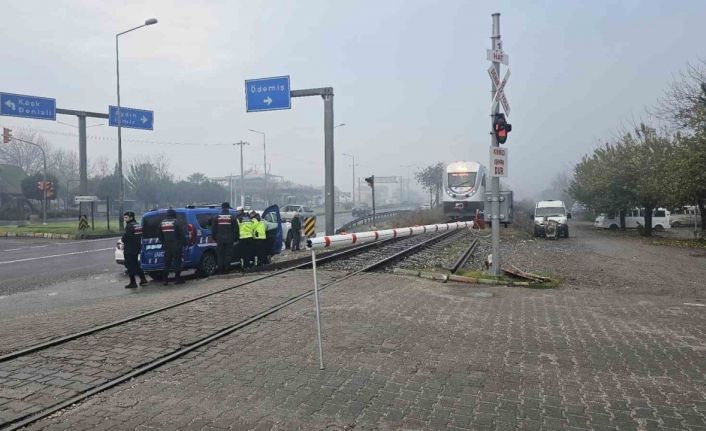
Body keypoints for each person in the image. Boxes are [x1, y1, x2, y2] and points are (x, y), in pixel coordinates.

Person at [159, 208, 186, 285]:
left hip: (167, 245)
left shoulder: (162, 223)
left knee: (167, 262)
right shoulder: (176, 222)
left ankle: (165, 280)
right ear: (174, 215)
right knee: (177, 262)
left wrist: (163, 242)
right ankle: (177, 279)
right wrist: (184, 243)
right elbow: (181, 234)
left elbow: (159, 234)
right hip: (176, 245)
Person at [122, 211, 148, 289]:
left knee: (130, 265)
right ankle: (143, 279)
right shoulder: (138, 225)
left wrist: (123, 239)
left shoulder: (129, 226)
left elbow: (125, 238)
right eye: (124, 217)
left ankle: (133, 283)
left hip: (129, 248)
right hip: (136, 248)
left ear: (131, 217)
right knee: (136, 264)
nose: (124, 219)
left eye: (126, 217)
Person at [211, 202, 239, 274]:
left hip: (219, 239)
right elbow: (236, 229)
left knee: (220, 254)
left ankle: (220, 269)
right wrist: (236, 238)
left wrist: (215, 238)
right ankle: (227, 269)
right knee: (228, 254)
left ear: (222, 208)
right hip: (229, 239)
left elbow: (213, 229)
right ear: (228, 207)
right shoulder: (232, 217)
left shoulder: (217, 217)